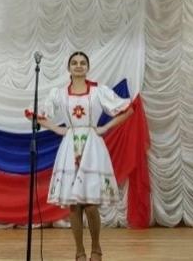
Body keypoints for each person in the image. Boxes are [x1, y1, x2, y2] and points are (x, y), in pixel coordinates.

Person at [27, 51, 134, 261]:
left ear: (87, 67)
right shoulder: (59, 94)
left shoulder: (98, 91)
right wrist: (56, 129)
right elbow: (36, 113)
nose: (78, 66)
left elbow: (128, 109)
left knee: (91, 204)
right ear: (69, 68)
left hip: (92, 147)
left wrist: (105, 127)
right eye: (74, 63)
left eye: (82, 63)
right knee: (74, 205)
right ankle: (79, 251)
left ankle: (96, 248)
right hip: (70, 147)